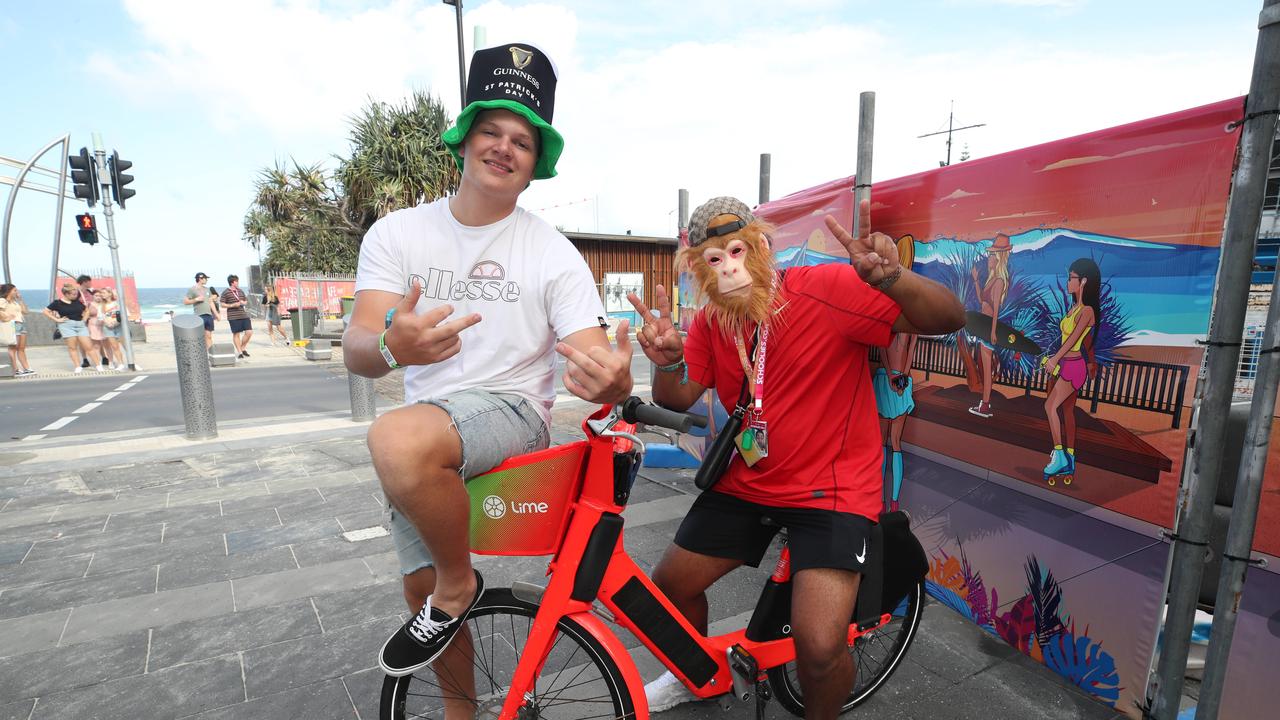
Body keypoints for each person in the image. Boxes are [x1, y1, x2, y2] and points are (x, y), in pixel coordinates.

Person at [343, 44, 633, 701]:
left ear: (536, 165)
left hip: (511, 415)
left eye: (522, 141)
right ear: (463, 140)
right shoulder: (395, 235)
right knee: (423, 599)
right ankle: (459, 708)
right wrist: (394, 346)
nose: (504, 148)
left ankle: (459, 582)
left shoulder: (553, 254)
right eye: (491, 131)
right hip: (430, 429)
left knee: (395, 441)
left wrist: (614, 379)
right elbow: (358, 350)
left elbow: (595, 356)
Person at [629, 196, 963, 718]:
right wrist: (667, 363)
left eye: (737, 251)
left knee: (820, 647)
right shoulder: (713, 321)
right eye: (714, 261)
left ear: (762, 248)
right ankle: (690, 673)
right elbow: (677, 396)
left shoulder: (825, 290)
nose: (729, 269)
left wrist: (892, 279)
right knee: (669, 589)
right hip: (746, 484)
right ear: (700, 270)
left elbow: (950, 316)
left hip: (829, 492)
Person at [1042, 258, 1101, 481]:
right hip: (1067, 363)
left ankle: (1059, 456)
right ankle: (1071, 458)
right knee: (1067, 411)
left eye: (1071, 278)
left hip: (1073, 367)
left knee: (1049, 407)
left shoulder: (1086, 312)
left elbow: (1075, 340)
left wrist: (1055, 359)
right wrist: (1053, 358)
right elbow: (1073, 340)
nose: (1068, 282)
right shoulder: (1073, 308)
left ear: (1083, 281)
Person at [873, 235, 919, 513]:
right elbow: (910, 347)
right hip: (899, 380)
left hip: (891, 380)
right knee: (894, 443)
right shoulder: (910, 307)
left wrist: (894, 375)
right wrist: (902, 376)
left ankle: (883, 499)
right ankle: (891, 501)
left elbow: (882, 347)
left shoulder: (888, 304)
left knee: (884, 442)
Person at [968, 235, 1011, 418]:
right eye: (990, 255)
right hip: (984, 329)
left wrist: (993, 331)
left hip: (988, 331)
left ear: (1000, 257)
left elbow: (995, 310)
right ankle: (984, 403)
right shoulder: (992, 279)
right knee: (985, 368)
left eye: (993, 256)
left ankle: (985, 405)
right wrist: (976, 280)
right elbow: (981, 301)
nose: (989, 259)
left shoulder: (1000, 281)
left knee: (987, 369)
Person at [43, 282, 95, 373]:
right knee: (72, 347)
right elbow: (46, 311)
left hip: (80, 324)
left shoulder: (77, 302)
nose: (76, 296)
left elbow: (86, 310)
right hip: (67, 325)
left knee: (88, 346)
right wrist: (57, 319)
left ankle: (98, 365)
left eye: (76, 294)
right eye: (74, 294)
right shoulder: (57, 303)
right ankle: (77, 366)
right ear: (66, 294)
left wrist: (84, 319)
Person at [0, 283, 34, 375]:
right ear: (9, 291)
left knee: (21, 348)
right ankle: (15, 369)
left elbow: (25, 311)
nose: (17, 292)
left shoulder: (15, 302)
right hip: (13, 325)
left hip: (21, 324)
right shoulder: (3, 300)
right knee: (13, 348)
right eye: (15, 290)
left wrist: (20, 300)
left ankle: (26, 367)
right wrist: (6, 317)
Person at [221, 275, 254, 358]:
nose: (238, 283)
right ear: (232, 282)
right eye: (237, 281)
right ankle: (240, 352)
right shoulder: (226, 292)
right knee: (236, 334)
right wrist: (232, 305)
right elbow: (222, 304)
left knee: (249, 332)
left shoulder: (240, 291)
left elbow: (246, 301)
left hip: (243, 314)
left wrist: (243, 302)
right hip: (233, 316)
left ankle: (243, 348)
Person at [184, 272, 215, 348]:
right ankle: (201, 353)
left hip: (209, 315)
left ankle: (210, 354)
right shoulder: (192, 289)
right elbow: (185, 301)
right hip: (199, 316)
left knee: (209, 336)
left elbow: (210, 302)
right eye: (205, 278)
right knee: (199, 337)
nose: (206, 280)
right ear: (200, 279)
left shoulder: (207, 289)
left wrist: (216, 313)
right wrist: (196, 299)